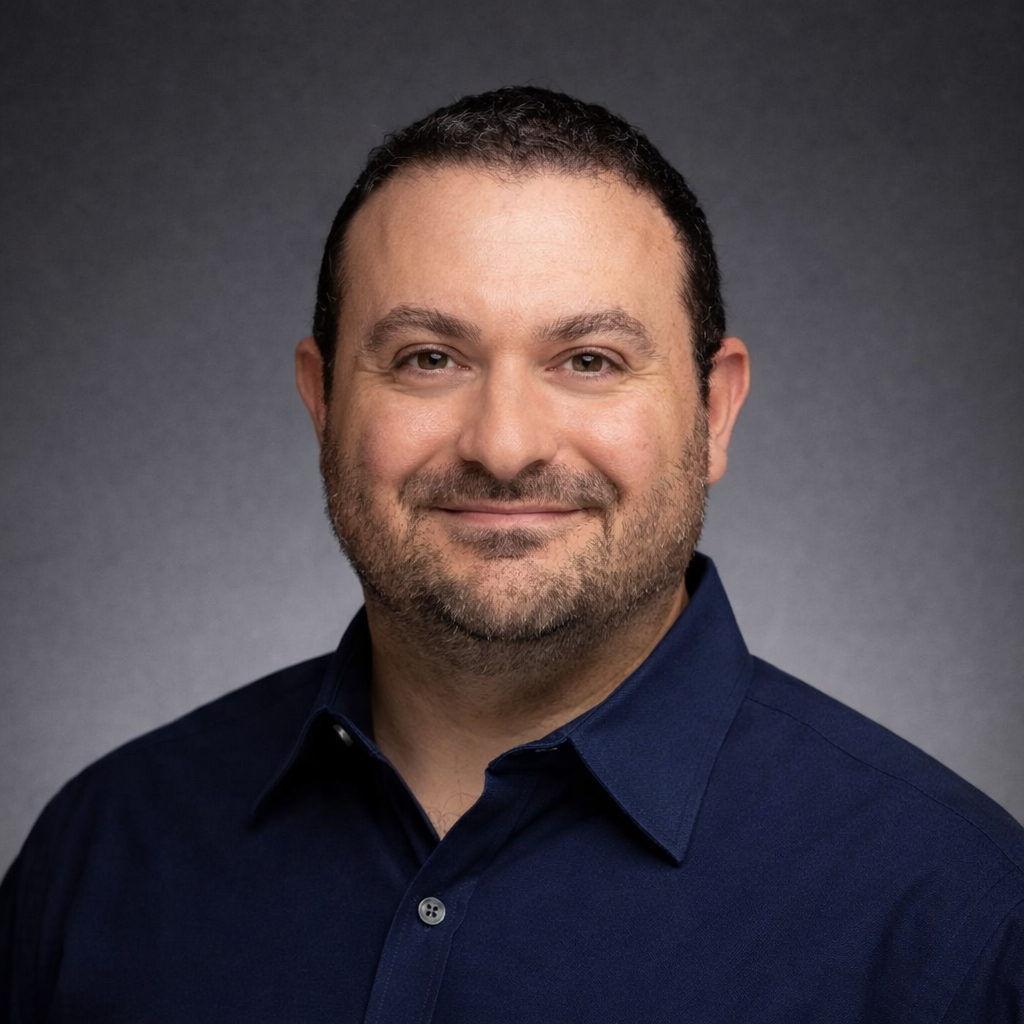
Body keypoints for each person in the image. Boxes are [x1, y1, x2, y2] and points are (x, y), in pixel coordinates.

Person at [2, 86, 1021, 1022]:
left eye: (589, 360)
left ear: (713, 411)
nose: (502, 445)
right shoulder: (98, 854)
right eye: (428, 358)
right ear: (323, 403)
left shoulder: (963, 923)